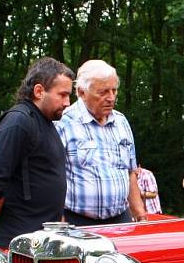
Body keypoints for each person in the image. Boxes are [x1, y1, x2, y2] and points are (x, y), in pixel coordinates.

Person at [0, 57, 74, 248]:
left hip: (42, 243)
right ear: (39, 91)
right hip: (18, 245)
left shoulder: (45, 121)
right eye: (62, 95)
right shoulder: (19, 122)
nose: (67, 103)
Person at [55, 60, 146, 225]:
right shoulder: (63, 123)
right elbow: (51, 177)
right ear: (82, 92)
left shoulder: (121, 122)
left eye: (114, 90)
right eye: (103, 92)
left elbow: (130, 173)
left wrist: (140, 216)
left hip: (121, 220)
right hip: (77, 223)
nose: (111, 98)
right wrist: (59, 224)